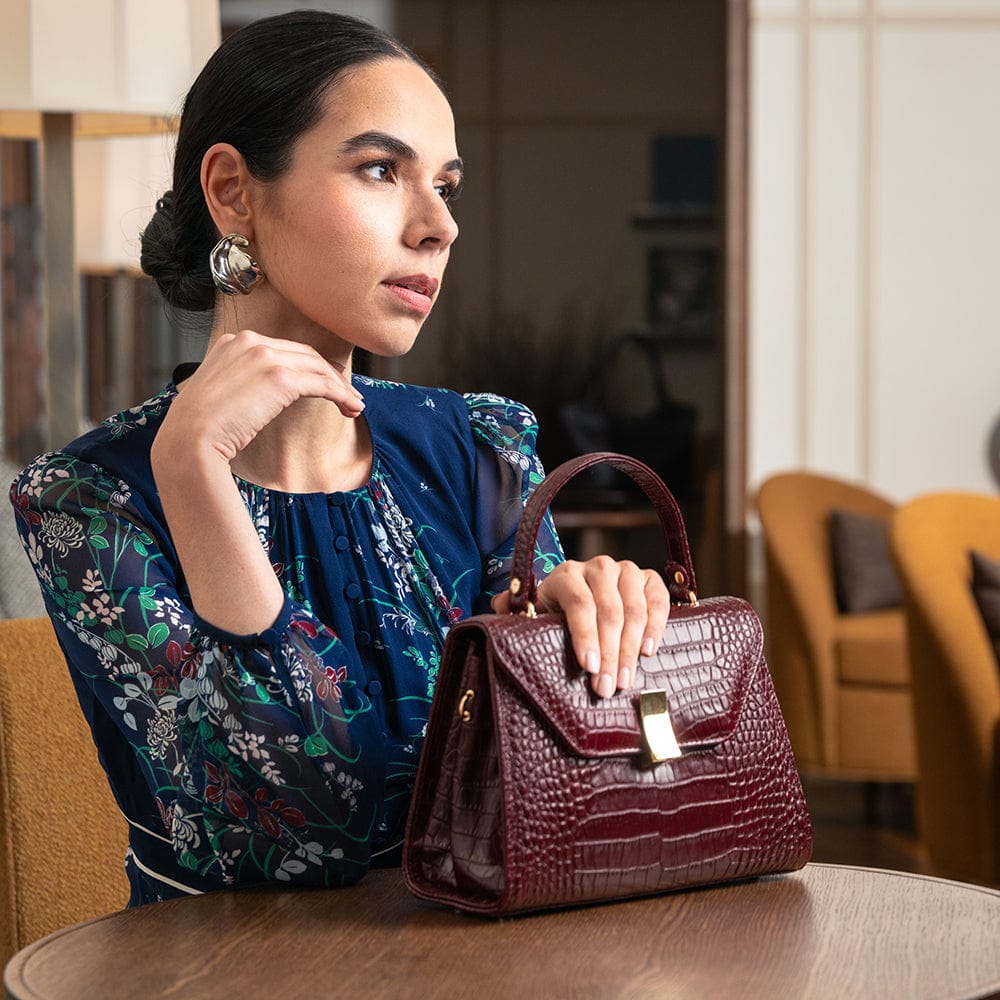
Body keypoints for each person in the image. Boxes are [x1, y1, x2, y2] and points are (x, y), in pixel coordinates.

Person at [9, 10, 669, 906]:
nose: (439, 226)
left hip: (496, 956)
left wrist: (588, 628)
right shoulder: (89, 500)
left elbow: (559, 783)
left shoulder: (480, 445)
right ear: (234, 190)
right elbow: (307, 823)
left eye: (448, 184)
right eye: (379, 170)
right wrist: (195, 472)